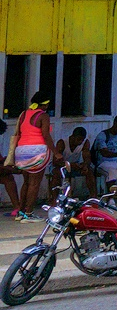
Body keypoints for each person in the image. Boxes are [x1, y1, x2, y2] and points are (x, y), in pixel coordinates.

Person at [11, 92, 61, 222]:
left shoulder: (24, 114)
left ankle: (21, 212)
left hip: (21, 151)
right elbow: (46, 135)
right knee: (34, 183)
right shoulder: (43, 116)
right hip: (36, 151)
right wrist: (56, 152)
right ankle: (29, 213)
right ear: (44, 104)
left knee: (26, 183)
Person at [50, 126, 96, 200]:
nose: (80, 142)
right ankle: (54, 199)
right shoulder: (62, 143)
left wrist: (85, 165)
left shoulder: (85, 143)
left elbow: (87, 158)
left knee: (89, 171)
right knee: (56, 173)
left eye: (82, 140)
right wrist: (69, 165)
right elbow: (55, 162)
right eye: (78, 139)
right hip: (62, 166)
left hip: (75, 166)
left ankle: (93, 198)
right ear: (72, 137)